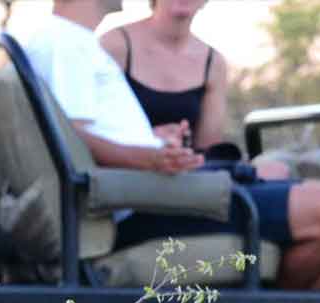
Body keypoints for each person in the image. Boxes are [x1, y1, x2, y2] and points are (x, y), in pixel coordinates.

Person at [24, 0, 320, 291]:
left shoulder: (71, 42)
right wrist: (150, 159)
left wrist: (155, 141)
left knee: (313, 188)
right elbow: (72, 138)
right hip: (146, 199)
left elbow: (82, 132)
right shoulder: (64, 43)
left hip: (160, 187)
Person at [99, 0, 288, 178]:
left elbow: (207, 146)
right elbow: (92, 132)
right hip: (133, 176)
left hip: (189, 175)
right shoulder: (114, 45)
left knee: (277, 171)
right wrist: (150, 138)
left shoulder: (213, 61)